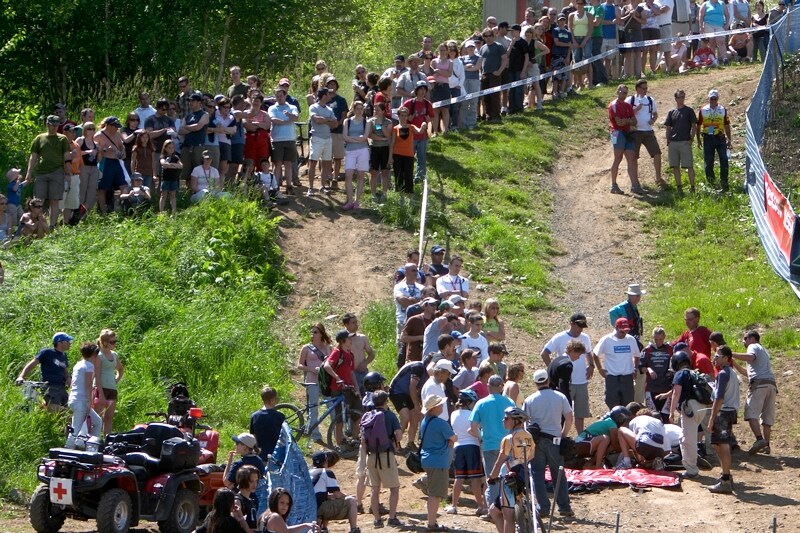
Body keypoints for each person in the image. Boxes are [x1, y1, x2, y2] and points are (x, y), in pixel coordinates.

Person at [522, 370, 575, 517]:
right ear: (548, 380)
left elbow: (525, 422)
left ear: (535, 383)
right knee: (559, 475)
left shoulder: (530, 400)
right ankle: (564, 507)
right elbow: (569, 417)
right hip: (555, 441)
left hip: (537, 442)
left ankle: (543, 507)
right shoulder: (560, 396)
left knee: (537, 474)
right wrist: (563, 435)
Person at [540, 313, 594, 433]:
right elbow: (544, 353)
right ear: (571, 324)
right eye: (579, 326)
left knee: (580, 413)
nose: (580, 329)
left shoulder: (585, 338)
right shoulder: (560, 337)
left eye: (582, 326)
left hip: (581, 380)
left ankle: (579, 437)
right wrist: (555, 370)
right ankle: (558, 435)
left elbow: (589, 353)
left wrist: (591, 365)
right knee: (562, 412)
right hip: (565, 381)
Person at [486, 407, 536, 532]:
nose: (503, 420)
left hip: (510, 477)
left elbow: (499, 461)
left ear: (516, 421)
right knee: (493, 510)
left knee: (508, 516)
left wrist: (492, 476)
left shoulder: (509, 438)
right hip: (524, 475)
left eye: (506, 418)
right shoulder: (529, 436)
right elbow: (531, 456)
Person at [470, 375, 514, 512]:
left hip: (489, 446)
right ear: (501, 387)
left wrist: (481, 437)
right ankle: (509, 506)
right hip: (507, 445)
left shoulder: (481, 403)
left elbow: (473, 427)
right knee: (509, 478)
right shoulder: (510, 402)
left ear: (488, 386)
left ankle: (493, 510)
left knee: (492, 479)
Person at [362, 391, 404, 528]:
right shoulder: (390, 416)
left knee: (374, 490)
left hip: (371, 456)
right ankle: (392, 518)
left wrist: (367, 453)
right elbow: (399, 436)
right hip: (386, 456)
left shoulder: (367, 416)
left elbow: (362, 440)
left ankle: (377, 520)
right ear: (386, 401)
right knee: (394, 488)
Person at [731, 331, 777, 455]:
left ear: (752, 338)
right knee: (767, 417)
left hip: (759, 385)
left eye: (745, 338)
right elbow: (748, 373)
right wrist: (734, 362)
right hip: (771, 385)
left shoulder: (753, 346)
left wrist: (731, 353)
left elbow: (750, 357)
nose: (743, 341)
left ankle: (759, 439)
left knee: (750, 413)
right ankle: (766, 445)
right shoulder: (764, 351)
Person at [23, 115, 71, 228]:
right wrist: (29, 173)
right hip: (41, 173)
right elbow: (33, 156)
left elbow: (67, 157)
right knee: (38, 200)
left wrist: (68, 174)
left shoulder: (62, 139)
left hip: (57, 172)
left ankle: (52, 226)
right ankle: (36, 225)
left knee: (54, 200)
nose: (54, 127)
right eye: (52, 125)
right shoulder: (39, 138)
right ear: (47, 124)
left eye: (56, 125)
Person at [446, 389, 487, 516]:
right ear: (469, 402)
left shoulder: (453, 414)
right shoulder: (473, 414)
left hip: (458, 447)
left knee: (459, 478)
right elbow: (476, 429)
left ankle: (454, 506)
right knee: (475, 478)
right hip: (472, 446)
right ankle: (480, 506)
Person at [419, 395, 456, 533]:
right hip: (438, 462)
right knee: (435, 494)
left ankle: (432, 521)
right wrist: (450, 442)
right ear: (434, 408)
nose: (442, 406)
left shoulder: (425, 421)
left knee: (433, 492)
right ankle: (431, 524)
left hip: (427, 460)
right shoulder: (440, 423)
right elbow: (453, 438)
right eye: (440, 404)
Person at [706, 346, 740, 494]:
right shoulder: (731, 373)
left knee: (723, 444)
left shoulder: (723, 374)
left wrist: (712, 418)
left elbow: (719, 398)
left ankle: (725, 479)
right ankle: (726, 475)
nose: (714, 359)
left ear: (726, 358)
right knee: (718, 444)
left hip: (723, 412)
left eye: (717, 356)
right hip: (730, 411)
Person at [16, 332, 73, 411]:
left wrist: (69, 380)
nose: (70, 343)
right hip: (50, 387)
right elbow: (32, 364)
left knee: (70, 409)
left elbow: (65, 372)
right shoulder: (47, 352)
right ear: (60, 342)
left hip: (61, 387)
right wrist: (21, 376)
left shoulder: (64, 355)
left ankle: (44, 408)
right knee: (55, 410)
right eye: (68, 341)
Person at [593, 318, 642, 409]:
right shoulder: (606, 340)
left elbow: (637, 355)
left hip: (627, 378)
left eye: (626, 330)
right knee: (612, 404)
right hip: (612, 378)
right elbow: (595, 354)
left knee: (628, 406)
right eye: (622, 331)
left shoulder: (631, 340)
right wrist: (600, 369)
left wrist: (635, 368)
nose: (624, 333)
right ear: (616, 327)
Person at [323, 330, 361, 447]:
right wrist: (337, 378)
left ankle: (354, 440)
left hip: (349, 388)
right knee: (339, 417)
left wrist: (357, 388)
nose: (351, 340)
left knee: (358, 413)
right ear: (343, 341)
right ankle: (339, 444)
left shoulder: (350, 354)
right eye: (349, 338)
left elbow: (351, 373)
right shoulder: (337, 352)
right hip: (338, 389)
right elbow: (327, 366)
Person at [309, 451, 361, 533]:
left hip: (309, 506)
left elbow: (319, 493)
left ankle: (323, 528)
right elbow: (337, 495)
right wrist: (348, 496)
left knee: (329, 500)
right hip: (319, 507)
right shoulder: (326, 472)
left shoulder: (308, 472)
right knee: (352, 501)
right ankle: (354, 529)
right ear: (326, 460)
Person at [627, 79, 665, 190]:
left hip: (648, 131)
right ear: (637, 89)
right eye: (643, 88)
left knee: (657, 153)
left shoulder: (650, 100)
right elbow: (626, 115)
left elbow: (655, 114)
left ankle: (658, 178)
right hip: (635, 132)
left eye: (646, 88)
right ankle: (635, 182)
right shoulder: (630, 100)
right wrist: (636, 110)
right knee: (634, 157)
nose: (645, 91)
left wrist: (653, 120)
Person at [298, 323, 332, 443]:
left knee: (331, 407)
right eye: (312, 332)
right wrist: (312, 369)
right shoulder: (306, 348)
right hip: (312, 381)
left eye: (315, 332)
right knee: (313, 409)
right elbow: (299, 365)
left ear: (321, 333)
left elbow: (331, 361)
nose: (313, 334)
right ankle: (315, 435)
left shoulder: (327, 347)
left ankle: (336, 434)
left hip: (325, 382)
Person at [697, 88, 732, 191]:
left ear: (718, 99)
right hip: (708, 138)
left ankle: (724, 183)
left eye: (715, 99)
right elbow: (698, 125)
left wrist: (729, 139)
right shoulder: (703, 110)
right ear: (708, 99)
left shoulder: (723, 109)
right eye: (711, 99)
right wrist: (698, 139)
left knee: (724, 160)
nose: (713, 101)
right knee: (708, 162)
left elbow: (727, 125)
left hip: (720, 138)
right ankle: (712, 184)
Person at [664, 89, 698, 193]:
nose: (681, 99)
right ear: (675, 98)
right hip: (673, 142)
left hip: (685, 142)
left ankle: (692, 187)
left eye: (683, 97)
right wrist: (668, 140)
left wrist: (691, 139)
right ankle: (679, 187)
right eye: (679, 97)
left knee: (689, 166)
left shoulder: (689, 111)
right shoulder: (671, 112)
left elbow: (694, 126)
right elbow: (668, 127)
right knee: (675, 166)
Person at [607, 85, 640, 194]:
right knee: (618, 158)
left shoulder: (627, 106)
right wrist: (628, 121)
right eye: (622, 92)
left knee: (631, 158)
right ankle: (613, 185)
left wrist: (626, 121)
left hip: (627, 132)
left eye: (625, 93)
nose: (624, 94)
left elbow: (634, 121)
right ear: (618, 92)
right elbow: (619, 122)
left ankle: (634, 185)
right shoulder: (614, 105)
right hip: (617, 133)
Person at [268, 85, 299, 196]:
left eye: (281, 96)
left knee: (288, 163)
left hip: (290, 138)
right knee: (277, 164)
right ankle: (276, 187)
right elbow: (273, 119)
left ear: (285, 96)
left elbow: (296, 117)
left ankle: (289, 186)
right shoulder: (272, 108)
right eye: (277, 96)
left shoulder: (292, 107)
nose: (279, 98)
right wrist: (287, 121)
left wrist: (289, 115)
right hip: (277, 139)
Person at [67, 342, 103, 439]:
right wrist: (89, 402)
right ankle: (69, 445)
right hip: (81, 401)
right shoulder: (89, 366)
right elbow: (88, 385)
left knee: (97, 422)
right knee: (76, 428)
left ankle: (93, 443)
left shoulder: (78, 364)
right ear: (94, 354)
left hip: (74, 399)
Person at [389, 361, 427, 450]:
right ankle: (394, 444)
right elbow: (412, 387)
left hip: (407, 393)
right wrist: (416, 405)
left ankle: (410, 443)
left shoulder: (426, 373)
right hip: (397, 391)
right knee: (405, 417)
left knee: (415, 417)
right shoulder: (419, 367)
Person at [92, 329, 124, 435]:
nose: (114, 344)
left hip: (112, 389)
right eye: (112, 342)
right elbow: (96, 375)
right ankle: (94, 438)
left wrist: (116, 380)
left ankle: (107, 439)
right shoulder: (99, 356)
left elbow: (120, 369)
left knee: (109, 417)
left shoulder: (114, 355)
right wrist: (100, 394)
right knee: (97, 417)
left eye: (115, 341)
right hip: (100, 388)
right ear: (105, 342)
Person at [308, 88, 338, 194]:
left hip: (328, 139)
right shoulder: (313, 107)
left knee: (326, 163)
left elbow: (335, 124)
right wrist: (328, 120)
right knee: (313, 162)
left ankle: (322, 186)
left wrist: (324, 120)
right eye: (328, 94)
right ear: (324, 96)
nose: (330, 95)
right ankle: (310, 188)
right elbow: (316, 120)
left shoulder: (329, 109)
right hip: (317, 138)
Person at [401, 81, 434, 182]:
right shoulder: (409, 103)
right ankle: (407, 176)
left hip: (423, 136)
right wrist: (408, 118)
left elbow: (432, 117)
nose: (423, 91)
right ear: (416, 90)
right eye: (421, 89)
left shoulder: (428, 104)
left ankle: (420, 177)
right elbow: (400, 116)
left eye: (424, 89)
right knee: (408, 157)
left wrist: (428, 119)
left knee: (422, 158)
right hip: (410, 136)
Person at [641, 327, 673, 419]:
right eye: (656, 339)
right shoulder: (647, 350)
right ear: (653, 338)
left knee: (665, 417)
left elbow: (675, 367)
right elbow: (641, 368)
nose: (658, 342)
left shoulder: (670, 349)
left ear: (664, 337)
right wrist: (649, 369)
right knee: (652, 417)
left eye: (660, 339)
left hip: (666, 388)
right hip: (651, 388)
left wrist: (670, 372)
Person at [250, 385, 286, 462]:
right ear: (272, 400)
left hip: (260, 455)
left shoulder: (254, 416)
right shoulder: (280, 416)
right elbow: (284, 437)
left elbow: (253, 437)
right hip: (276, 455)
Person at [479, 27, 508, 122]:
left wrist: (499, 71)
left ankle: (496, 116)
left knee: (494, 95)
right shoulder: (482, 48)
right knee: (486, 97)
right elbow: (480, 62)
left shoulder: (498, 46)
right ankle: (489, 115)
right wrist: (481, 73)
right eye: (486, 36)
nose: (488, 38)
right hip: (484, 75)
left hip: (494, 75)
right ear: (483, 37)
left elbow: (505, 60)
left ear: (493, 36)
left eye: (490, 35)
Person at [550, 14, 574, 100]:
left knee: (564, 75)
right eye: (560, 20)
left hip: (565, 55)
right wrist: (567, 44)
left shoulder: (568, 33)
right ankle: (555, 92)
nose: (562, 22)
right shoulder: (555, 30)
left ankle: (561, 91)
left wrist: (568, 57)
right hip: (556, 55)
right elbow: (557, 42)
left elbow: (570, 46)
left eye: (563, 20)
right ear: (557, 21)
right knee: (556, 75)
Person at [159, 139, 182, 214]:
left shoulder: (176, 157)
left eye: (172, 147)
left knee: (173, 195)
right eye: (169, 148)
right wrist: (175, 166)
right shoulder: (163, 156)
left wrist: (171, 165)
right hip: (165, 179)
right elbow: (164, 164)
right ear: (165, 148)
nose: (171, 149)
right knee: (163, 195)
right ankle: (161, 211)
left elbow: (181, 166)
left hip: (174, 179)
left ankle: (174, 211)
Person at [235, 465, 261, 530]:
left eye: (256, 481)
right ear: (243, 480)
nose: (255, 484)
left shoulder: (251, 501)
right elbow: (237, 526)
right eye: (251, 481)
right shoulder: (237, 501)